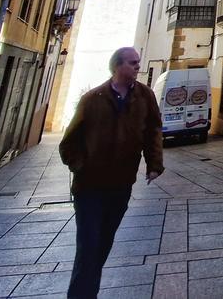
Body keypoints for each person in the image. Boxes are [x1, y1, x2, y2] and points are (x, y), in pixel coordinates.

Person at [59, 47, 164, 299]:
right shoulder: (93, 99)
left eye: (139, 62)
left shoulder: (145, 96)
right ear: (117, 66)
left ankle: (86, 289)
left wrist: (154, 164)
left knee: (103, 242)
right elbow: (68, 142)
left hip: (121, 184)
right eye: (133, 63)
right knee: (89, 245)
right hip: (89, 186)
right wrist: (80, 166)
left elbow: (153, 130)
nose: (138, 67)